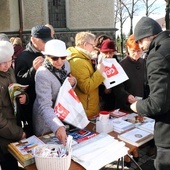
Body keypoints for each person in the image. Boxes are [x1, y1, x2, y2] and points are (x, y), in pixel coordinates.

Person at [130, 16, 170, 170]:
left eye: (140, 41)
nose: (140, 46)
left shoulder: (157, 55)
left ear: (149, 36)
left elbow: (158, 103)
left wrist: (137, 106)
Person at [33, 39, 76, 145]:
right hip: (47, 119)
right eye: (55, 58)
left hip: (63, 112)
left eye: (63, 57)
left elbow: (68, 87)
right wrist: (57, 126)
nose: (60, 61)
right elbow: (45, 106)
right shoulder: (42, 74)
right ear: (47, 56)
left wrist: (74, 82)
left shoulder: (66, 64)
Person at [15, 25, 52, 137]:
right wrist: (33, 70)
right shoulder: (22, 57)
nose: (47, 44)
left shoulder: (48, 53)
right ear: (34, 40)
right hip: (31, 105)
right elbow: (19, 81)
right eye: (44, 41)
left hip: (48, 102)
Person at [0, 41, 27, 170]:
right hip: (5, 135)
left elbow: (14, 92)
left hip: (11, 130)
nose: (6, 66)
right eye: (2, 63)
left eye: (9, 61)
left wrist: (23, 97)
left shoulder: (10, 71)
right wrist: (17, 133)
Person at [67, 31, 105, 119]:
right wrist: (99, 72)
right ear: (85, 44)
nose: (94, 48)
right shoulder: (78, 62)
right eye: (92, 45)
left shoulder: (84, 58)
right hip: (85, 110)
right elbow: (86, 87)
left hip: (87, 106)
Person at [114, 34, 144, 112]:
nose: (136, 54)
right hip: (126, 107)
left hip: (142, 105)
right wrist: (126, 96)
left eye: (139, 51)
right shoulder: (121, 65)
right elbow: (117, 88)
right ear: (128, 48)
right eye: (133, 51)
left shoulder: (144, 63)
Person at [98, 39, 118, 111]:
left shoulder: (116, 62)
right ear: (101, 52)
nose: (108, 55)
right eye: (106, 53)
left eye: (111, 53)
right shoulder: (96, 62)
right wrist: (104, 88)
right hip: (100, 95)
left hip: (113, 95)